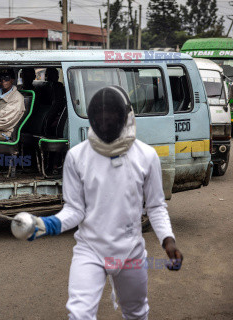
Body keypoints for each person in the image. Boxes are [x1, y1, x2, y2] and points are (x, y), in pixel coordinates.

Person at [21, 86, 183, 319]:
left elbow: (156, 206)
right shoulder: (77, 156)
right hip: (90, 250)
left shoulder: (146, 156)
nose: (105, 121)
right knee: (79, 314)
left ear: (126, 116)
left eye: (112, 115)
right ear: (92, 117)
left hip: (130, 252)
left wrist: (168, 242)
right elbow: (75, 210)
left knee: (136, 313)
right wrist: (47, 224)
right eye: (99, 115)